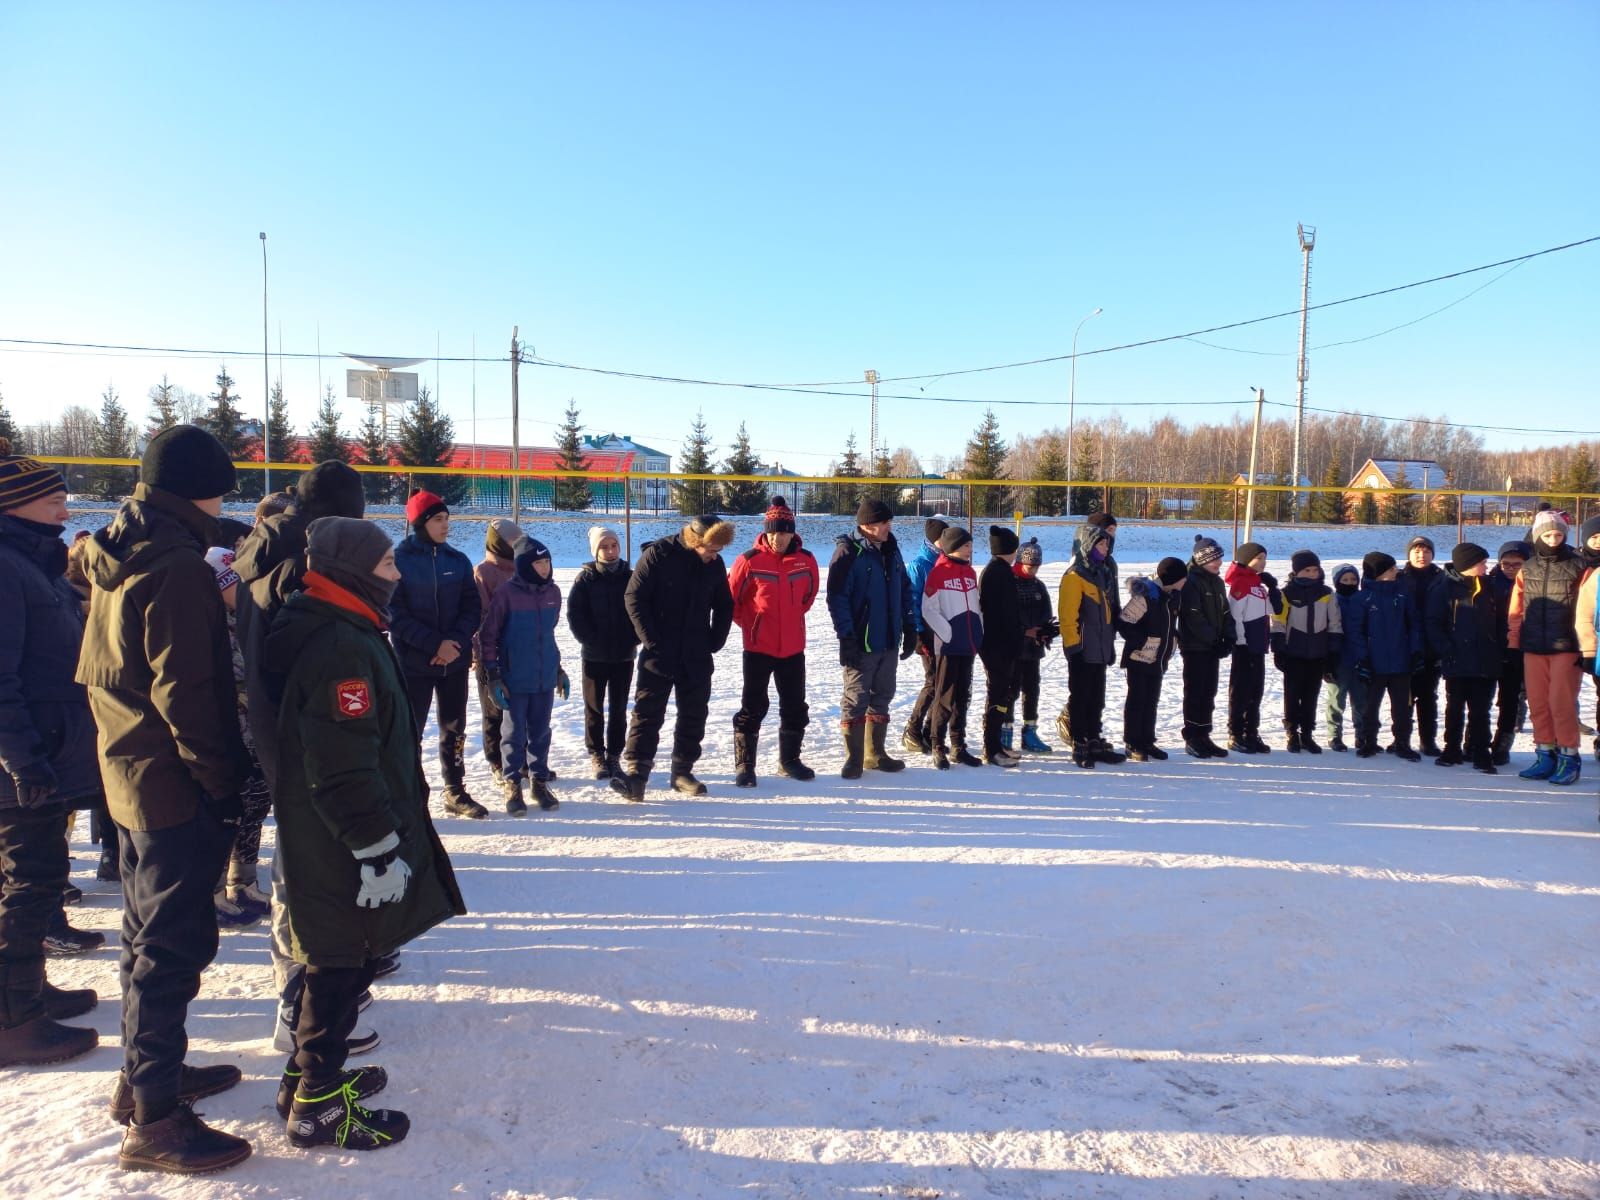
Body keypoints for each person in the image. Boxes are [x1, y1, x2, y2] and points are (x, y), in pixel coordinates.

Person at [76, 425, 252, 1173]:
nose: (224, 500)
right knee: (170, 948)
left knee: (144, 938)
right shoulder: (176, 565)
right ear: (194, 489)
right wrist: (225, 782)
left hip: (130, 772)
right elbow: (189, 693)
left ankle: (143, 1080)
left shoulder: (122, 547)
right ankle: (154, 1120)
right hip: (171, 785)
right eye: (218, 486)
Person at [265, 516, 465, 1151]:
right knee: (340, 961)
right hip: (342, 840)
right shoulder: (338, 645)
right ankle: (317, 1104)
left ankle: (305, 1078)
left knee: (348, 955)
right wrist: (376, 848)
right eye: (386, 566)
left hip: (337, 833)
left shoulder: (343, 624)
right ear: (352, 571)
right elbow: (343, 762)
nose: (398, 574)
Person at [231, 460, 381, 1055]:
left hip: (283, 731)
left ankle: (316, 997)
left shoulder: (270, 546)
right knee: (308, 874)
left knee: (305, 868)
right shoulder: (301, 563)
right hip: (304, 738)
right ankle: (300, 1010)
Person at [0, 439, 100, 1069]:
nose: (67, 511)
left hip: (47, 750)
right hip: (25, 760)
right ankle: (15, 1020)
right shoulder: (7, 570)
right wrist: (25, 762)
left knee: (36, 878)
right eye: (56, 499)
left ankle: (28, 989)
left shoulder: (34, 563)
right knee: (28, 884)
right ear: (18, 505)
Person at [612, 516, 735, 800]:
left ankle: (682, 771)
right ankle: (637, 775)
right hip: (660, 651)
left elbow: (724, 604)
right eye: (711, 549)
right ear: (695, 541)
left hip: (696, 651)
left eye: (718, 551)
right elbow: (634, 597)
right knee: (647, 712)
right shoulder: (658, 554)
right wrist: (651, 640)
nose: (714, 556)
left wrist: (716, 639)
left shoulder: (713, 565)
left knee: (694, 713)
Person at [390, 489, 485, 819]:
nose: (446, 525)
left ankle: (455, 790)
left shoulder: (457, 561)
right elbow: (394, 614)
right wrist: (434, 645)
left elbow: (473, 607)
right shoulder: (398, 561)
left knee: (455, 728)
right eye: (438, 520)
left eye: (447, 519)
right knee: (409, 731)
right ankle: (409, 794)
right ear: (420, 523)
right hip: (413, 664)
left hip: (454, 663)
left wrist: (453, 643)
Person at [201, 546, 272, 928]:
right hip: (230, 742)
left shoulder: (246, 621)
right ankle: (212, 891)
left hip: (256, 736)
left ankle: (243, 881)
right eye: (234, 584)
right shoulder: (210, 630)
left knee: (255, 810)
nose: (243, 590)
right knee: (227, 815)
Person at [728, 498, 820, 787]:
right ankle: (745, 764)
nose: (777, 538)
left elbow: (809, 596)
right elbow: (734, 602)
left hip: (793, 648)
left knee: (794, 705)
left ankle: (789, 760)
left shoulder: (806, 560)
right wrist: (754, 627)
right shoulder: (749, 561)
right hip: (758, 648)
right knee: (753, 705)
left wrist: (791, 621)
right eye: (772, 533)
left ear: (792, 532)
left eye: (783, 532)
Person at [826, 499, 918, 779]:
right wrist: (846, 637)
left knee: (883, 694)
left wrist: (910, 625)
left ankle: (874, 753)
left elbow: (904, 588)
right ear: (868, 525)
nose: (889, 526)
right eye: (884, 522)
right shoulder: (848, 552)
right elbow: (837, 598)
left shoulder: (892, 549)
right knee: (856, 697)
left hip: (889, 637)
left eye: (889, 522)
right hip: (862, 639)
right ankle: (853, 757)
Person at [479, 536, 568, 814]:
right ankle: (512, 781)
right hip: (514, 678)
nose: (544, 568)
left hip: (543, 677)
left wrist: (558, 669)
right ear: (524, 565)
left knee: (541, 732)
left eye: (547, 562)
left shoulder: (553, 592)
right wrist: (493, 675)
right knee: (514, 733)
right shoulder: (507, 594)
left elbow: (548, 636)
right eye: (538, 563)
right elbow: (488, 637)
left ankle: (539, 781)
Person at [1509, 509, 1585, 785]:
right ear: (1538, 535)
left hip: (1566, 644)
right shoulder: (1528, 568)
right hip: (1534, 645)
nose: (1554, 539)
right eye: (1548, 534)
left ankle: (1568, 755)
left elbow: (1588, 608)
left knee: (1560, 702)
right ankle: (1545, 753)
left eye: (1559, 534)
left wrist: (1586, 645)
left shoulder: (1579, 566)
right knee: (1538, 702)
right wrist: (1514, 639)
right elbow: (1516, 608)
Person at [567, 524, 638, 780]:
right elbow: (575, 614)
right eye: (604, 547)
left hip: (623, 655)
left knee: (619, 708)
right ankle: (596, 753)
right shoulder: (586, 579)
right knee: (594, 708)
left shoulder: (630, 577)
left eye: (614, 545)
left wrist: (633, 638)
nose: (610, 551)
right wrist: (589, 639)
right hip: (594, 656)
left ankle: (614, 756)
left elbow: (640, 610)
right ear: (595, 550)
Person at [1427, 543, 1502, 773]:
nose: (1485, 566)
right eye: (1481, 562)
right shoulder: (1444, 588)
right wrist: (1446, 648)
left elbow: (1501, 620)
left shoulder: (1490, 586)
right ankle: (1452, 749)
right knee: (1455, 707)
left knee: (1481, 709)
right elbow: (1433, 622)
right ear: (1468, 565)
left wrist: (1497, 646)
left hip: (1485, 659)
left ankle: (1480, 752)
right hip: (1456, 659)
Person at [1057, 514, 1123, 769]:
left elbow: (1108, 614)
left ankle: (1094, 737)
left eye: (1107, 545)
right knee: (1081, 695)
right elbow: (1067, 615)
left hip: (1100, 648)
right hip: (1082, 649)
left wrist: (1110, 644)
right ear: (1088, 545)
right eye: (1102, 544)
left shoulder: (1102, 574)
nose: (1107, 548)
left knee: (1097, 696)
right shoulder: (1075, 576)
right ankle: (1079, 739)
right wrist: (1073, 646)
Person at [1346, 551, 1421, 760]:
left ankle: (1402, 742)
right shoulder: (1362, 598)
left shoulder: (1403, 594)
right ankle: (1369, 740)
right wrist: (1363, 658)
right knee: (1370, 705)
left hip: (1401, 662)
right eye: (1390, 569)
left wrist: (1415, 651)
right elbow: (1355, 630)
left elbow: (1414, 624)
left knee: (1403, 707)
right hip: (1374, 663)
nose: (1396, 571)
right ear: (1378, 573)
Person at [921, 526, 983, 769]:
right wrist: (946, 633)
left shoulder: (970, 573)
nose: (970, 549)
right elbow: (929, 609)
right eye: (966, 545)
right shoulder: (938, 573)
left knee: (962, 697)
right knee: (944, 696)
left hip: (968, 645)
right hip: (948, 646)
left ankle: (959, 745)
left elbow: (976, 607)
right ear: (954, 547)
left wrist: (979, 632)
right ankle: (937, 744)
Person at [1272, 550, 1342, 754]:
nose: (1312, 574)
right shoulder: (1287, 594)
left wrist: (1333, 653)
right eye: (1306, 570)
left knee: (1311, 695)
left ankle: (1307, 734)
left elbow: (1335, 624)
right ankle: (1292, 732)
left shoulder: (1327, 594)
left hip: (1318, 654)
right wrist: (1278, 649)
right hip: (1293, 653)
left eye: (1315, 570)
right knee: (1292, 695)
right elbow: (1279, 621)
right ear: (1296, 572)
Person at [1118, 557, 1187, 760]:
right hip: (1139, 658)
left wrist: (1174, 637)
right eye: (1183, 578)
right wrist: (1143, 640)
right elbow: (1124, 623)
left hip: (1158, 658)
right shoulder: (1146, 596)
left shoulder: (1171, 597)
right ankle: (1132, 742)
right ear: (1173, 578)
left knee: (1151, 701)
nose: (1185, 582)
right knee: (1137, 700)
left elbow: (1168, 624)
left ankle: (1147, 741)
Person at [471, 518, 523, 783]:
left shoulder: (522, 568)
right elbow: (478, 616)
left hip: (519, 652)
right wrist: (478, 653)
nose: (516, 545)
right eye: (511, 541)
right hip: (490, 654)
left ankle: (520, 758)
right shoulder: (483, 572)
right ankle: (496, 761)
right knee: (494, 709)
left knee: (519, 709)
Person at [1177, 535, 1235, 759]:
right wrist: (1213, 639)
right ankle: (1192, 736)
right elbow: (1194, 616)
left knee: (1208, 692)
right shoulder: (1191, 581)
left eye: (1219, 559)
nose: (1218, 563)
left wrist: (1228, 637)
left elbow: (1225, 612)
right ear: (1202, 560)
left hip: (1212, 647)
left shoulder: (1217, 582)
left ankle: (1204, 734)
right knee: (1195, 692)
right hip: (1195, 647)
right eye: (1214, 560)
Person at [900, 516, 949, 756]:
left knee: (942, 682)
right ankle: (912, 729)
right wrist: (918, 632)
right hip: (926, 631)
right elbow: (912, 600)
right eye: (944, 537)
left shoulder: (944, 562)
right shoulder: (920, 565)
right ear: (935, 540)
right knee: (932, 681)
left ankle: (931, 731)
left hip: (943, 630)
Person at [1224, 542, 1278, 754]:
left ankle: (1251, 732)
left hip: (1258, 645)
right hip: (1245, 646)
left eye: (1265, 558)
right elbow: (1235, 617)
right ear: (1247, 560)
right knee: (1241, 691)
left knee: (1256, 691)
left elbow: (1273, 610)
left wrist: (1273, 589)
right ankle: (1236, 733)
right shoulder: (1241, 585)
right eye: (1259, 559)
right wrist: (1240, 641)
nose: (1263, 563)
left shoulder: (1257, 584)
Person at [977, 526, 1024, 768]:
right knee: (997, 694)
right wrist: (1014, 639)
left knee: (1004, 693)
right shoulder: (998, 572)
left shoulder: (1000, 570)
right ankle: (991, 747)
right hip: (997, 646)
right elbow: (1004, 614)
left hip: (1002, 644)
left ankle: (997, 745)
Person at [1400, 536, 1446, 757]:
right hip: (1405, 647)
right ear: (1409, 554)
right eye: (1417, 551)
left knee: (1428, 697)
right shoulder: (1398, 578)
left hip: (1431, 648)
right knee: (1404, 698)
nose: (1422, 555)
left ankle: (1428, 741)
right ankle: (1402, 740)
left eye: (1426, 551)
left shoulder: (1442, 578)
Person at [1011, 538, 1058, 753]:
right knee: (1010, 691)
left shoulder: (1038, 585)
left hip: (1033, 649)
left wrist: (1047, 631)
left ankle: (1030, 730)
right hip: (1013, 649)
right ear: (1020, 562)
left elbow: (1046, 612)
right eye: (1030, 567)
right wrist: (1024, 631)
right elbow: (1005, 617)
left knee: (1032, 689)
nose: (1034, 571)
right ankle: (1005, 730)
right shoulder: (1010, 583)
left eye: (1037, 567)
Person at [1486, 541, 1530, 764]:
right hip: (1493, 648)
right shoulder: (1490, 583)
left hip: (1522, 649)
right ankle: (1476, 740)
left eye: (1517, 564)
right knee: (1483, 698)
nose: (1511, 568)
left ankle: (1503, 743)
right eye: (1506, 563)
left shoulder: (1532, 583)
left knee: (1510, 699)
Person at [1324, 564, 1363, 752]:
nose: (1350, 583)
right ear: (1337, 582)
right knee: (1336, 699)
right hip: (1338, 660)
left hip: (1360, 658)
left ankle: (1362, 735)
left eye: (1353, 580)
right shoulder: (1332, 601)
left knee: (1361, 700)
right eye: (1345, 580)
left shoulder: (1362, 600)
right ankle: (1334, 734)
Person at [1576, 515, 1600, 761]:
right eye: (1595, 537)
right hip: (1588, 642)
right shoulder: (1578, 564)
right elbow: (1584, 613)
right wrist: (1589, 649)